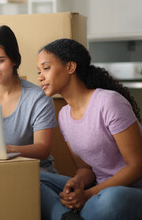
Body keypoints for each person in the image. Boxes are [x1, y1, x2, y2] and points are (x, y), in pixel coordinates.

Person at [37, 38, 142, 220]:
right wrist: (76, 182)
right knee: (31, 178)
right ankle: (66, 216)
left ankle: (68, 213)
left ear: (70, 67)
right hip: (96, 189)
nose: (40, 76)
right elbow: (85, 168)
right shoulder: (64, 115)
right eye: (39, 71)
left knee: (111, 200)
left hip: (129, 191)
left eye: (46, 68)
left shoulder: (108, 102)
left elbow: (137, 166)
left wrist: (88, 195)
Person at [0, 25, 57, 173]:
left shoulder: (37, 98)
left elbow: (43, 150)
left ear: (14, 60)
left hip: (35, 174)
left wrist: (4, 149)